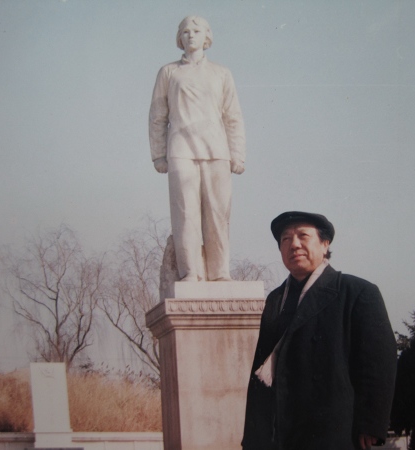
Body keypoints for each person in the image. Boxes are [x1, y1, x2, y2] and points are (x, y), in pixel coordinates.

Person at [242, 211, 397, 450]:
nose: (294, 244)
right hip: (280, 432)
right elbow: (259, 373)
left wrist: (370, 424)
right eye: (285, 239)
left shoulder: (356, 292)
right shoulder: (275, 300)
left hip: (334, 429)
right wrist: (253, 436)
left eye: (303, 236)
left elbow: (379, 364)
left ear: (325, 244)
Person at [149, 15, 246, 282]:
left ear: (207, 36)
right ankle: (191, 271)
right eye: (185, 31)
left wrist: (237, 154)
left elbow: (233, 116)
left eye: (196, 30)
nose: (191, 35)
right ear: (179, 38)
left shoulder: (221, 73)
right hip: (181, 149)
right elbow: (158, 116)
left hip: (217, 150)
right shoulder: (169, 72)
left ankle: (219, 271)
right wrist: (158, 154)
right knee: (185, 213)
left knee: (218, 213)